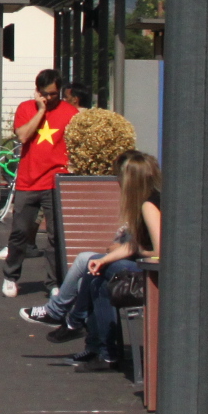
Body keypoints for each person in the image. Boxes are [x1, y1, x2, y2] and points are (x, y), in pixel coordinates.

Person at [73, 150, 162, 372]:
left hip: (159, 274)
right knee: (99, 274)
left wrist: (138, 252)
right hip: (151, 268)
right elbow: (135, 245)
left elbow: (161, 251)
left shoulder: (148, 205)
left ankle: (80, 326)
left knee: (108, 274)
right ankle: (99, 347)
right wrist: (105, 259)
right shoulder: (154, 196)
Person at [0, 70, 77, 297]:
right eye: (44, 94)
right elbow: (23, 136)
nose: (49, 98)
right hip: (28, 180)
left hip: (56, 181)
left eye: (53, 94)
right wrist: (41, 111)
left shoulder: (70, 112)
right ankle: (11, 276)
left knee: (55, 235)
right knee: (20, 232)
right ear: (37, 91)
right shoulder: (26, 108)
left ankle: (54, 282)